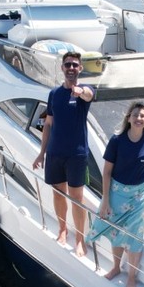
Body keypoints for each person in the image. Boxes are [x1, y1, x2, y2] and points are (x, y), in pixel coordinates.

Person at [90, 102, 144, 287]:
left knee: (134, 237)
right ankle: (115, 267)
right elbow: (106, 172)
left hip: (140, 195)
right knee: (115, 232)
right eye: (136, 115)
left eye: (143, 116)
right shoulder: (117, 140)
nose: (139, 119)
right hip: (117, 193)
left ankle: (132, 277)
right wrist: (105, 199)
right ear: (128, 118)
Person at [31, 51, 97, 256]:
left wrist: (79, 91)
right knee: (58, 193)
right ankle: (62, 229)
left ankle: (79, 238)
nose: (71, 68)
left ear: (80, 69)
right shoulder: (54, 94)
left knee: (77, 197)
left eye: (75, 65)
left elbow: (89, 94)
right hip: (55, 153)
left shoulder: (85, 91)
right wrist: (42, 153)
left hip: (76, 155)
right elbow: (48, 123)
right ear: (62, 68)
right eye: (67, 64)